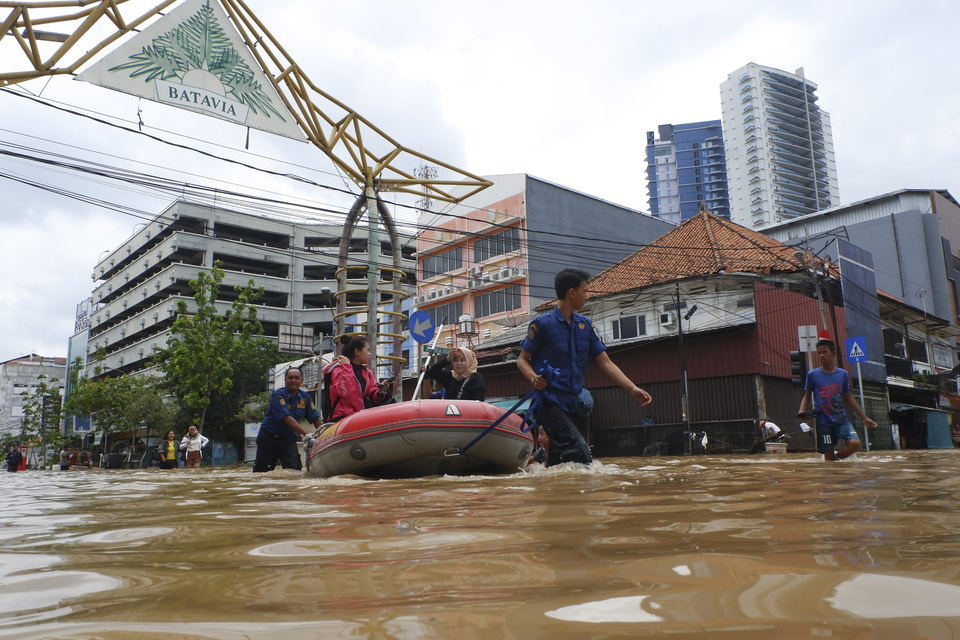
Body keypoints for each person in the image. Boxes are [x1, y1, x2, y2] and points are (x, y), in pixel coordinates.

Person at [517, 268, 653, 466]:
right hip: (549, 402)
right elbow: (522, 360)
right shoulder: (542, 324)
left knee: (559, 459)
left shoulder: (585, 325)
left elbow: (605, 362)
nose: (586, 297)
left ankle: (551, 494)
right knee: (579, 453)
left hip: (573, 404)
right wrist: (533, 378)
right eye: (585, 291)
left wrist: (632, 388)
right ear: (572, 292)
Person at [797, 338, 878, 460]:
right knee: (828, 459)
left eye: (825, 352)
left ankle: (838, 459)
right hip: (823, 421)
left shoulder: (843, 374)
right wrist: (801, 411)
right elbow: (807, 396)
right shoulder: (812, 375)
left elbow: (849, 397)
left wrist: (864, 418)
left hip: (841, 419)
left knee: (855, 444)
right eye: (819, 353)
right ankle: (834, 464)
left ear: (833, 353)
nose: (821, 355)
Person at [253, 366, 324, 473]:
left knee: (294, 470)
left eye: (297, 378)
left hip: (287, 439)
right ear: (285, 380)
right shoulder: (277, 395)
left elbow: (315, 418)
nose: (293, 380)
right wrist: (307, 434)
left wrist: (324, 434)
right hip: (268, 438)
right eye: (290, 378)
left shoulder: (305, 398)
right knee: (262, 473)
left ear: (302, 381)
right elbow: (287, 418)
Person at [322, 336, 395, 422]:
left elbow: (373, 396)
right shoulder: (338, 369)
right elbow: (346, 392)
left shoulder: (367, 373)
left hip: (358, 417)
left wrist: (381, 392)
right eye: (367, 350)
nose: (370, 354)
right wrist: (346, 366)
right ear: (357, 351)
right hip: (340, 418)